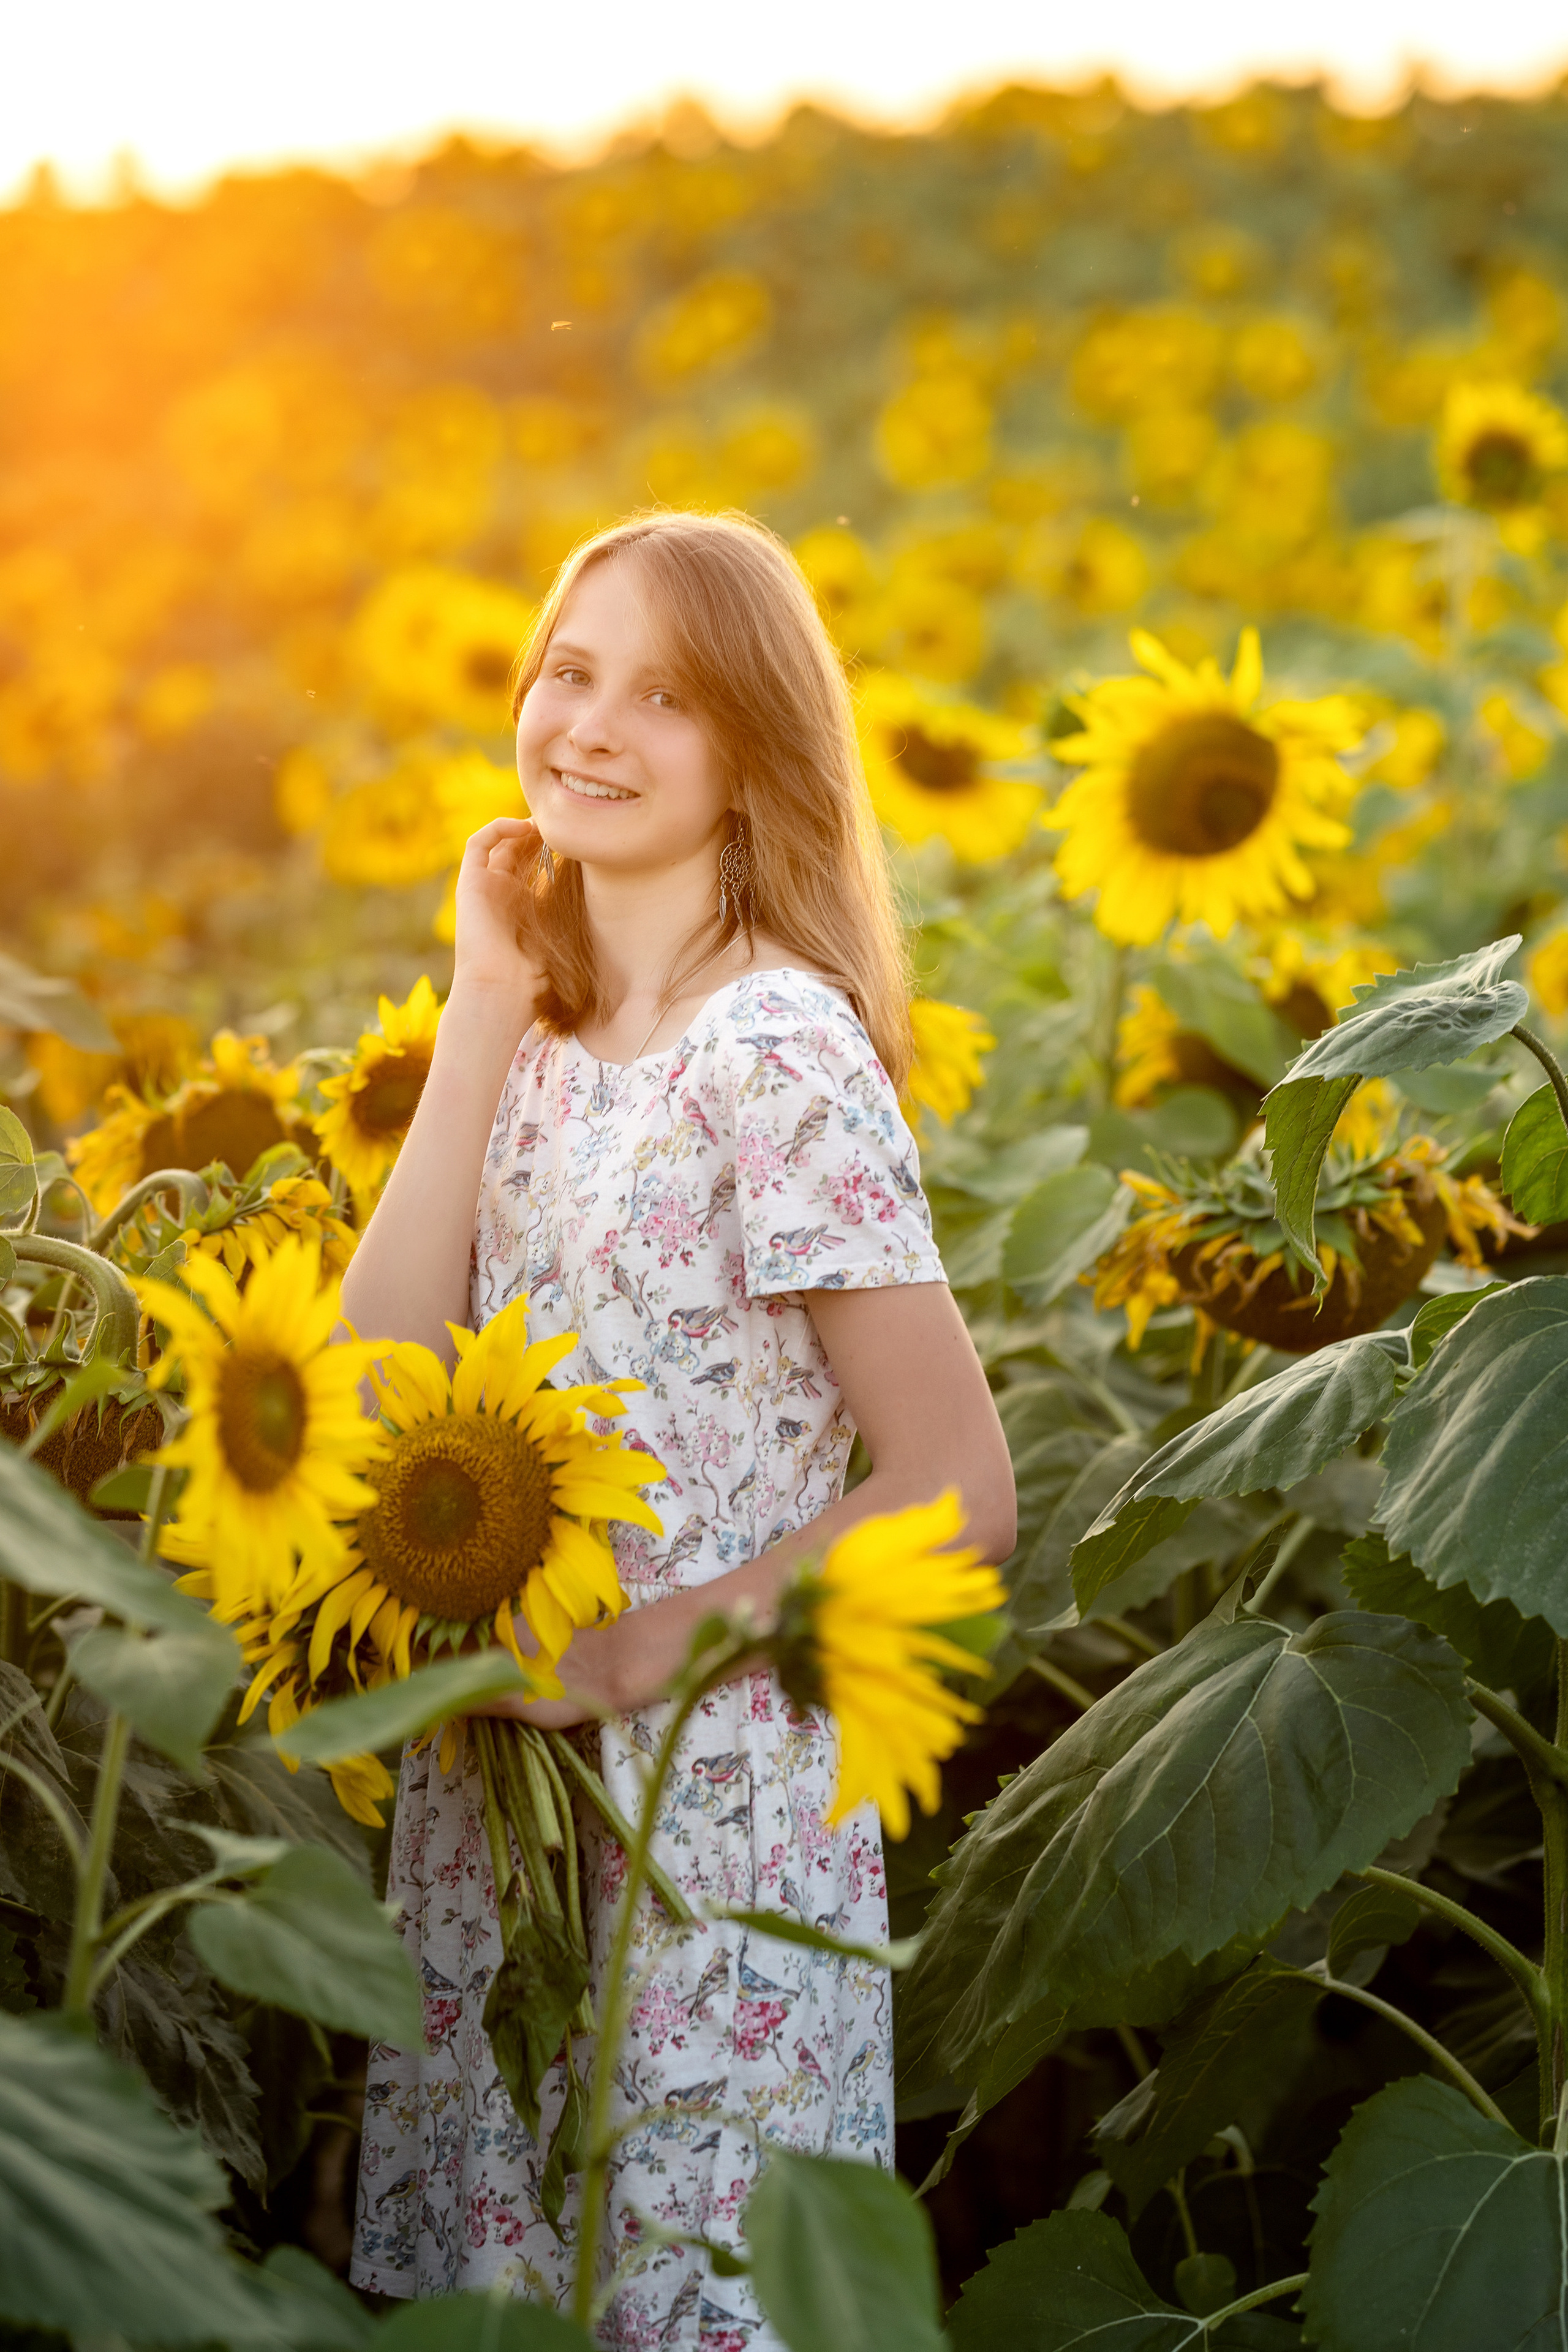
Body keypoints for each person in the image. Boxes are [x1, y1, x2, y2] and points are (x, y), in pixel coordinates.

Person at [344, 510, 1015, 2340]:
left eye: (666, 694)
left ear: (752, 757)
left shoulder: (775, 1051)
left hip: (715, 1827)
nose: (594, 724)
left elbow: (959, 1488)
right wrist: (482, 1005)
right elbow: (380, 1384)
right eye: (570, 672)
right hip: (507, 1825)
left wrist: (644, 1652)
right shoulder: (542, 1042)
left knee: (684, 2298)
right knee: (510, 2295)